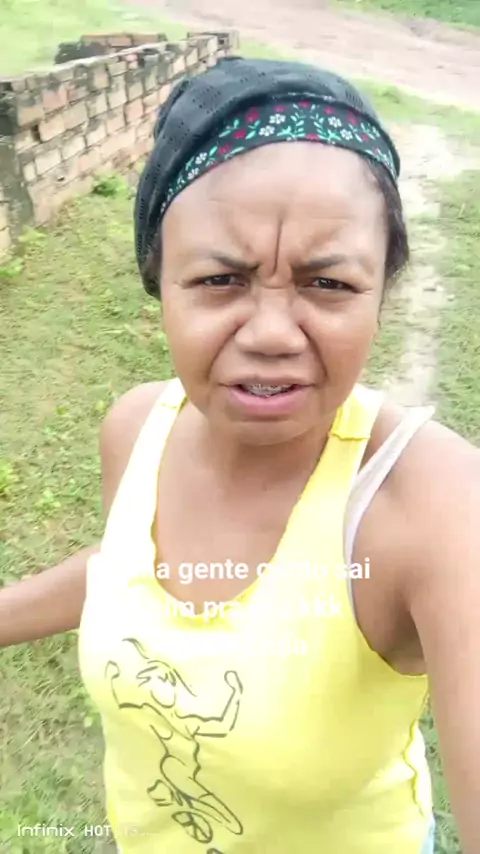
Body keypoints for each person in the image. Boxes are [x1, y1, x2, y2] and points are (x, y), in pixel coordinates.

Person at [1, 56, 479, 854]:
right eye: (221, 279)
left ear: (382, 292)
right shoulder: (136, 427)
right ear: (160, 280)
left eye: (328, 285)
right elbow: (128, 568)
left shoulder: (434, 507)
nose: (271, 334)